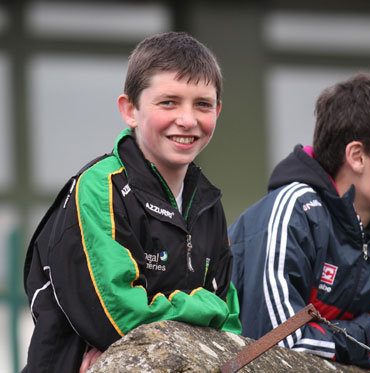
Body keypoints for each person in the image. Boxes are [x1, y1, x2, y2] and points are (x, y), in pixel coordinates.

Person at [23, 31, 241, 373]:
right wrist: (203, 307)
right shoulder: (99, 188)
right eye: (168, 102)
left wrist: (207, 316)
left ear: (218, 110)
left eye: (203, 104)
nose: (187, 119)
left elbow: (230, 331)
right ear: (130, 110)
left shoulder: (208, 203)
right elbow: (119, 319)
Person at [229, 73, 370, 372]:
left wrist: (334, 340)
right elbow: (276, 343)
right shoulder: (293, 213)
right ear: (357, 156)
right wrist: (364, 333)